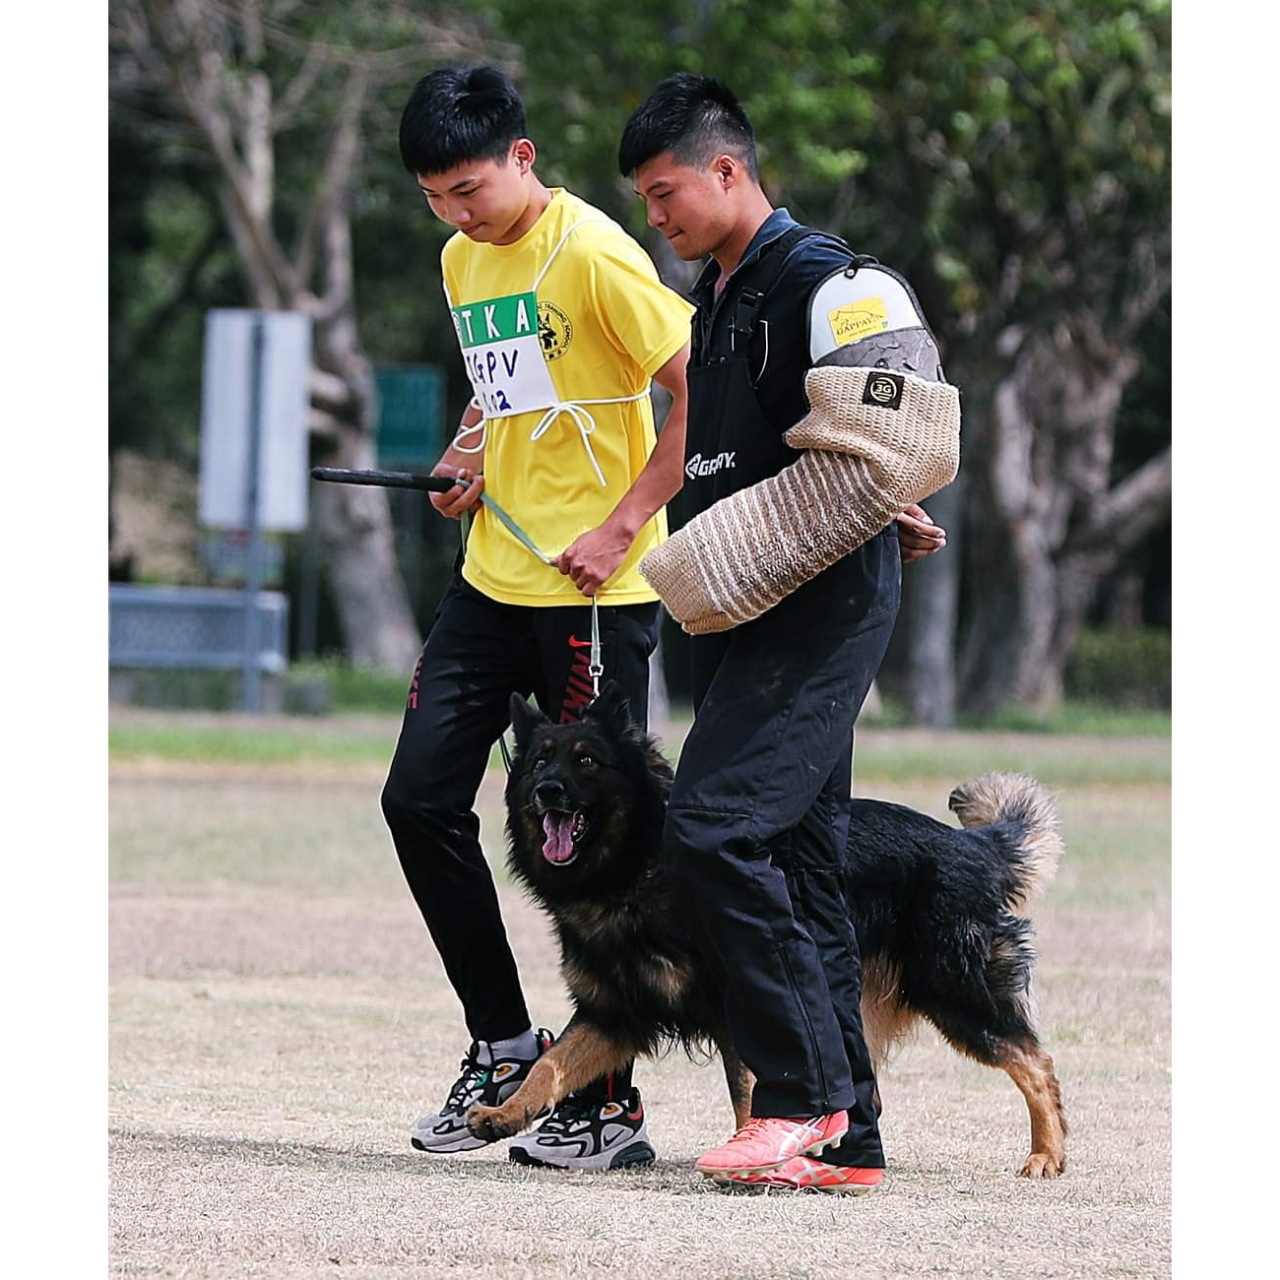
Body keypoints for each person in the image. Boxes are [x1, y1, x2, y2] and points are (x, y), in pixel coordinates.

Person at [619, 73, 958, 1194]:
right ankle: (846, 1136)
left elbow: (903, 427)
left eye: (667, 192)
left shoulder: (834, 281)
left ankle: (799, 1092)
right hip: (730, 607)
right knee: (805, 864)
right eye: (644, 199)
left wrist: (876, 501)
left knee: (711, 828)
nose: (654, 215)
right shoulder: (714, 297)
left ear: (727, 170)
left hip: (812, 611)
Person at [383, 64, 693, 1171]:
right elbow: (502, 382)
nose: (455, 213)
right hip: (492, 576)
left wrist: (621, 527)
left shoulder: (599, 253)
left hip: (594, 596)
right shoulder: (463, 257)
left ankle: (604, 1105)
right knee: (416, 797)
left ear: (521, 156)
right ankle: (505, 1043)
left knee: (594, 849)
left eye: (468, 187)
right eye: (434, 197)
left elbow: (694, 390)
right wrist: (465, 458)